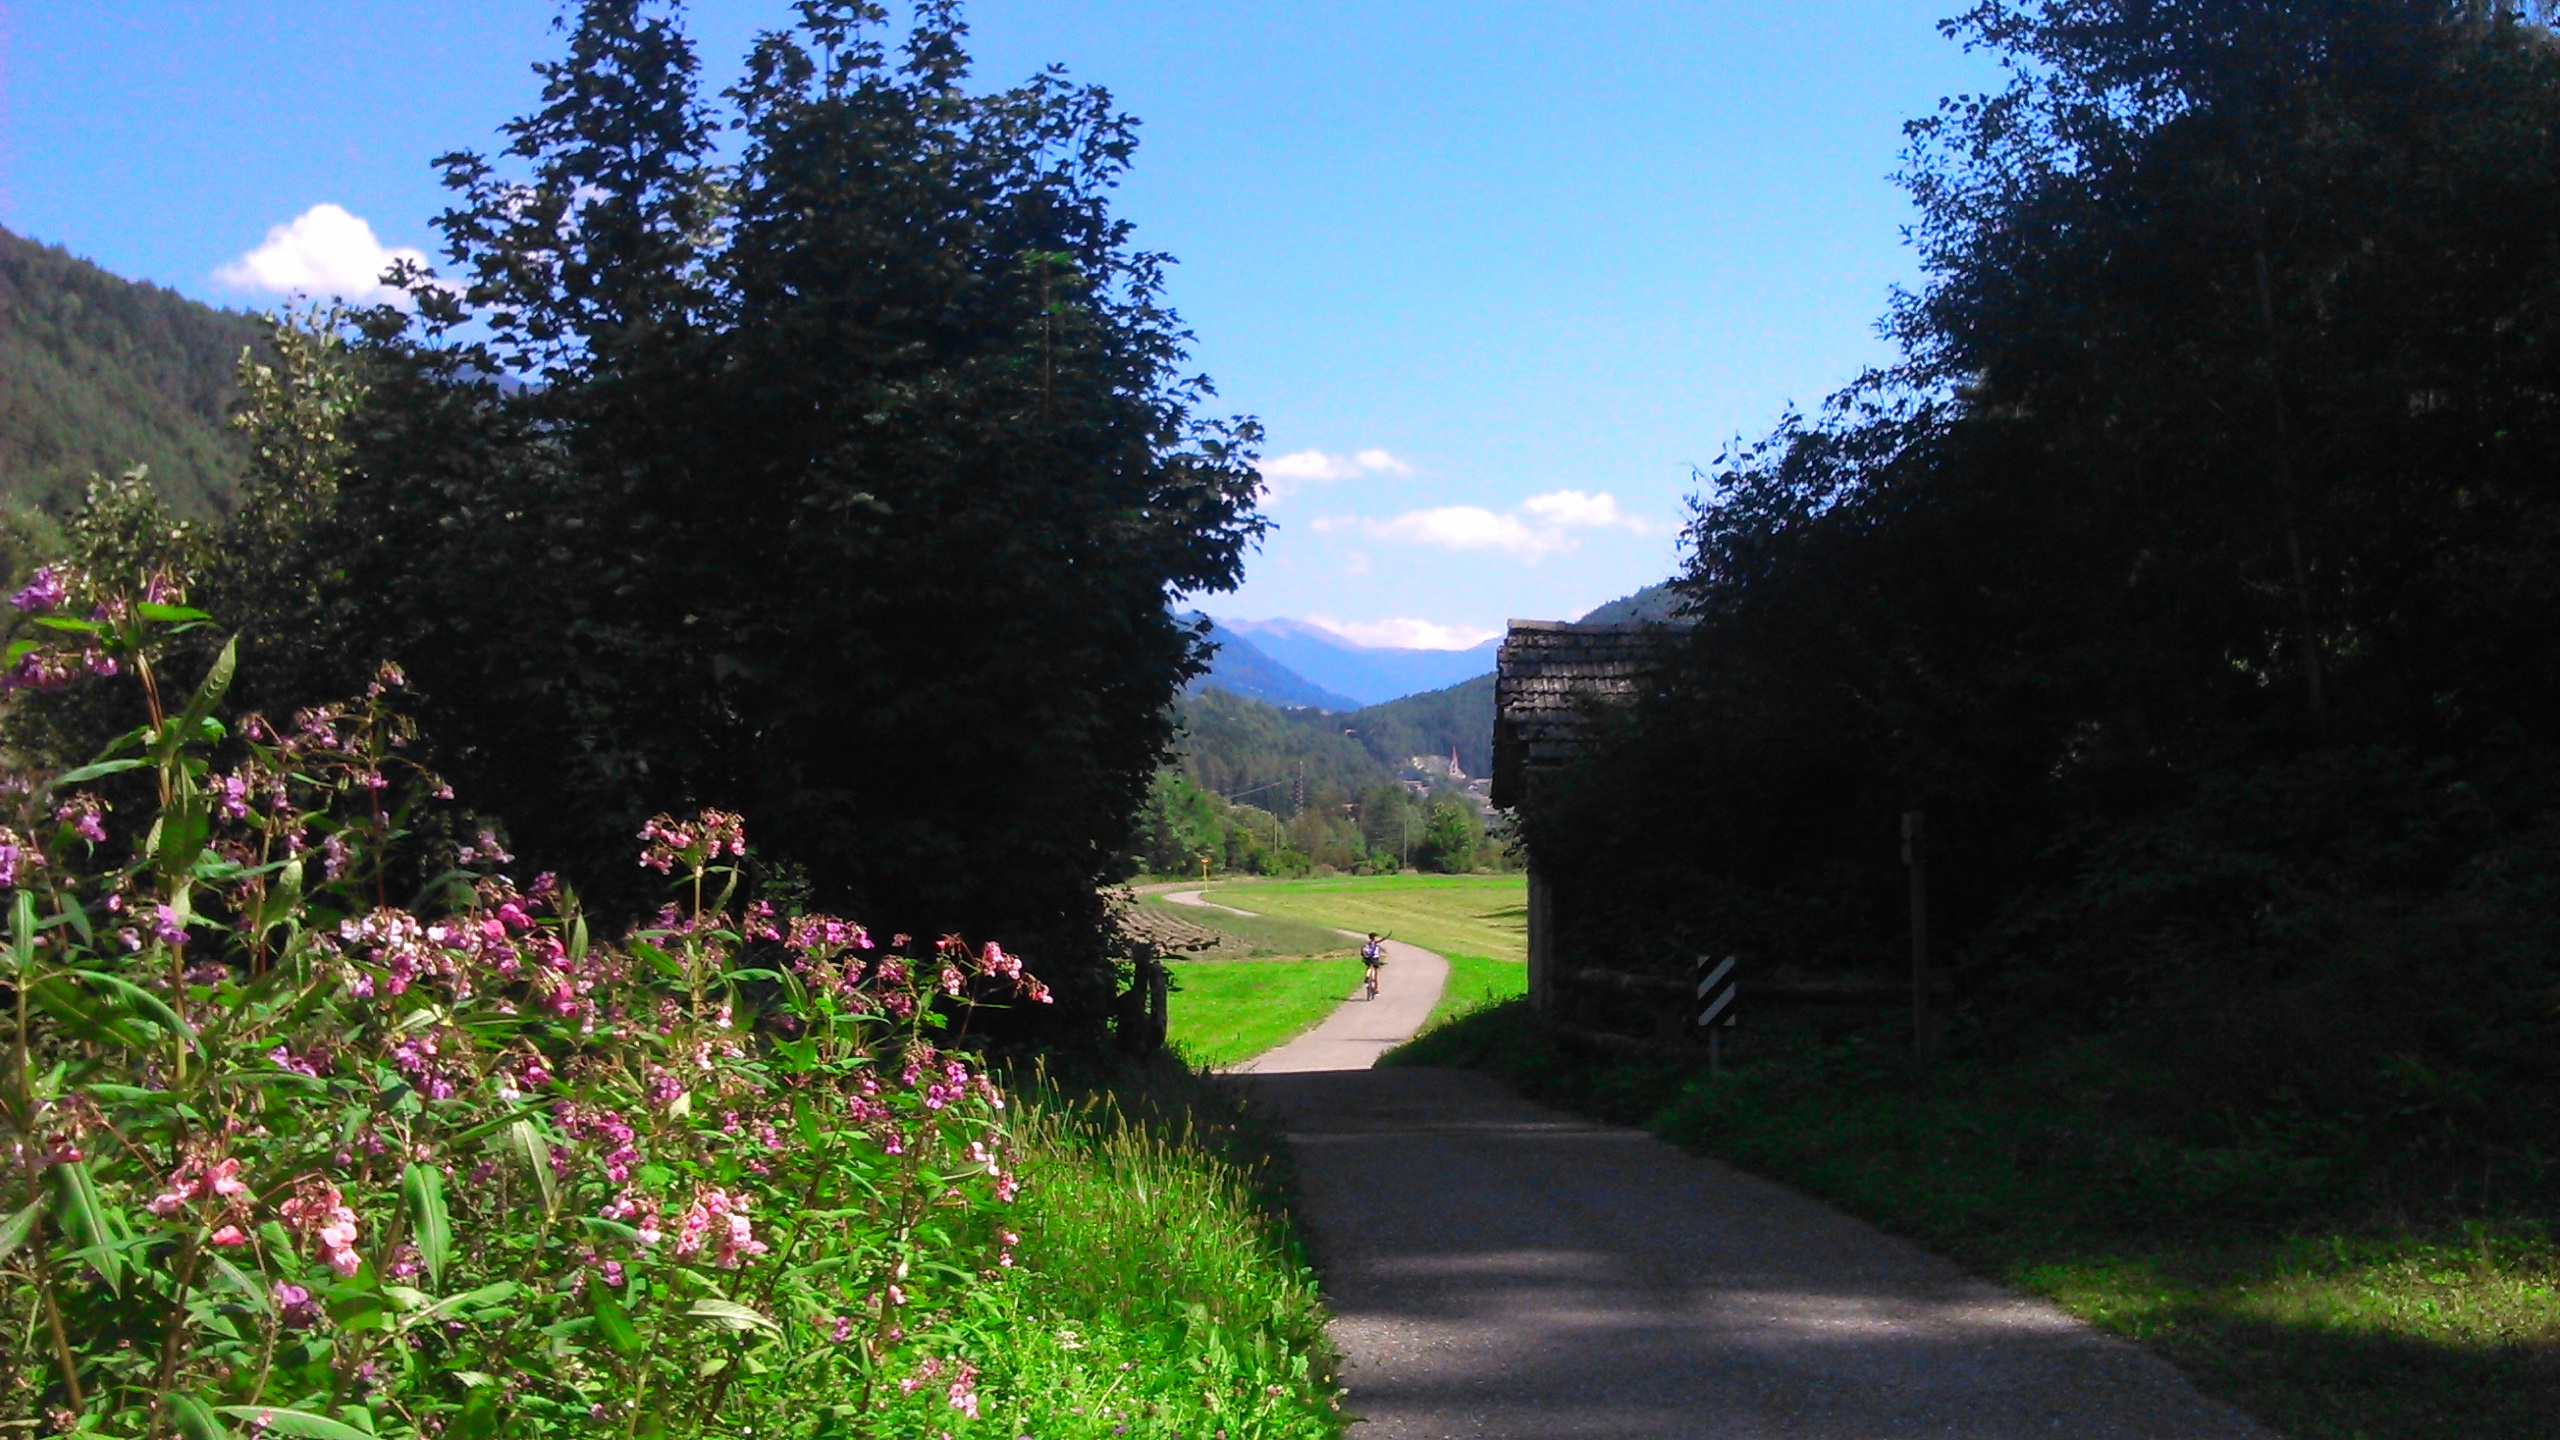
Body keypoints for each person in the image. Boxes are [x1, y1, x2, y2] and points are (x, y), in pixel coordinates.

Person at [1361, 932, 1386, 998]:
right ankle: (1375, 990)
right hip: (1375, 958)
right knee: (1376, 975)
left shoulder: (1367, 944)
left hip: (1368, 959)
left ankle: (1367, 977)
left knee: (1368, 967)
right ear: (1374, 937)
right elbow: (1380, 941)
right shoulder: (1375, 943)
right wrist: (1385, 937)